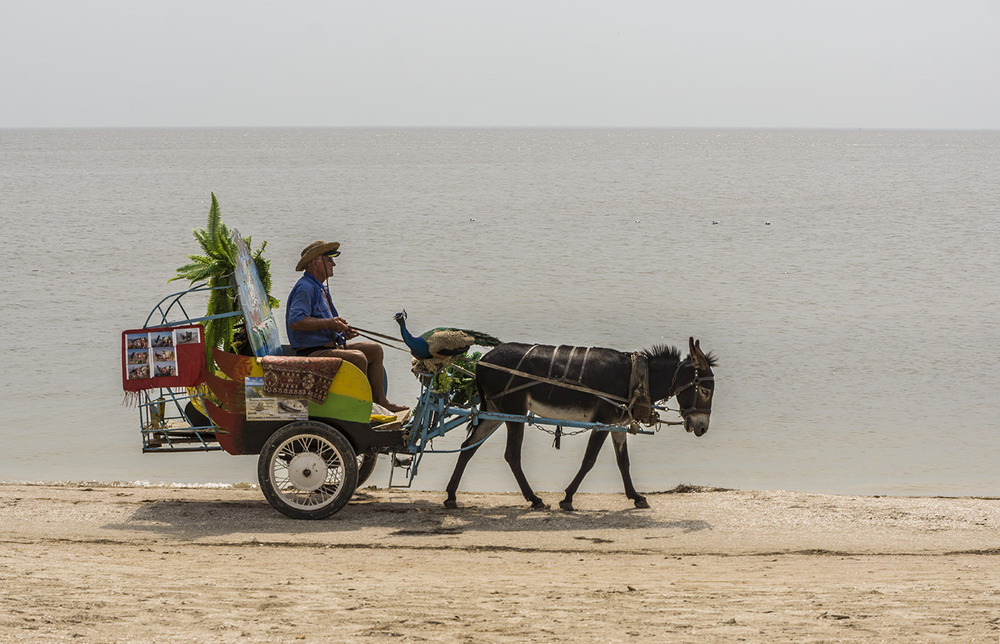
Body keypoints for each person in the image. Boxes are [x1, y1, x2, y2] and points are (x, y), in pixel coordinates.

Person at [286, 240, 407, 413]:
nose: (333, 264)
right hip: (312, 352)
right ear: (315, 262)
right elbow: (296, 321)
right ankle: (362, 408)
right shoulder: (305, 288)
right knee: (358, 358)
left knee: (375, 350)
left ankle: (381, 401)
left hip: (329, 346)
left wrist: (341, 331)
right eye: (329, 260)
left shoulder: (320, 288)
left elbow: (322, 323)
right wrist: (330, 323)